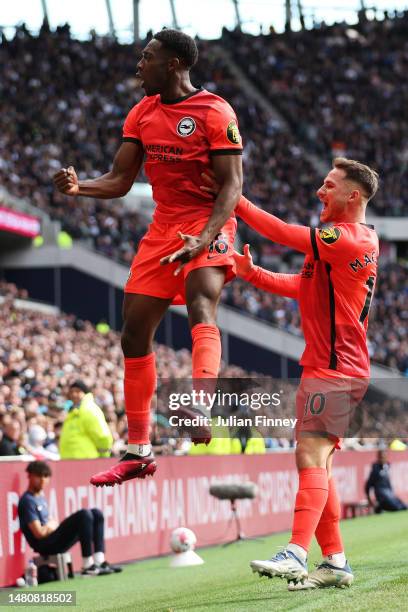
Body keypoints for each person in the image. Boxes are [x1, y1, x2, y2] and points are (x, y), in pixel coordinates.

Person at [53, 29, 243, 486]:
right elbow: (120, 179)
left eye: (147, 57)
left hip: (209, 221)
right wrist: (81, 188)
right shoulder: (142, 113)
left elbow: (232, 185)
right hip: (162, 229)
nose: (139, 65)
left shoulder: (215, 111)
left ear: (174, 63)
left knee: (201, 302)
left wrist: (205, 237)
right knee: (134, 334)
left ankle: (199, 401)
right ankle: (138, 450)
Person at [201, 158, 379, 589]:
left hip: (336, 368)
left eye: (329, 185)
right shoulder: (339, 246)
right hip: (329, 365)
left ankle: (296, 552)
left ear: (352, 196)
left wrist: (235, 199)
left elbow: (282, 233)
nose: (320, 191)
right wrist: (253, 273)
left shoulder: (347, 238)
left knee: (310, 457)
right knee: (318, 464)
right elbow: (303, 286)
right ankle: (334, 562)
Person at [18, 461, 122, 576]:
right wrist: (51, 525)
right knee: (84, 514)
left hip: (53, 538)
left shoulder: (40, 497)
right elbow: (39, 533)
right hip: (44, 545)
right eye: (38, 475)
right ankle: (87, 565)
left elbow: (50, 525)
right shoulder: (27, 501)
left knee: (96, 513)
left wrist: (51, 525)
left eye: (46, 476)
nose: (43, 479)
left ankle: (99, 560)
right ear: (30, 475)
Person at [59, 381, 113, 459]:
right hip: (70, 462)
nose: (74, 394)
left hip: (86, 461)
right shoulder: (72, 412)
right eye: (72, 392)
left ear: (85, 393)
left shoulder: (89, 410)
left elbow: (102, 436)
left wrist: (103, 458)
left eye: (77, 391)